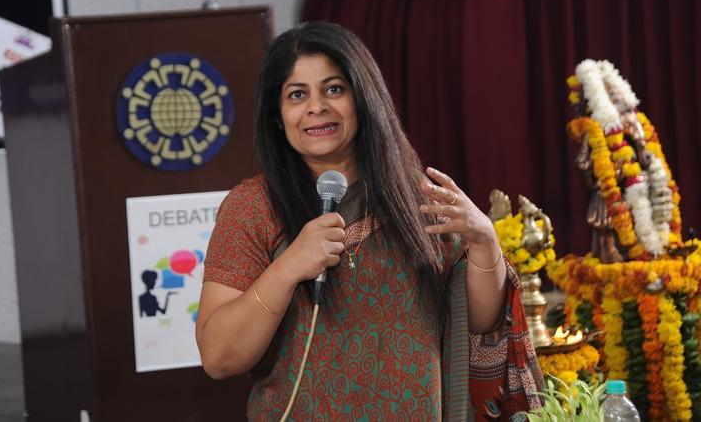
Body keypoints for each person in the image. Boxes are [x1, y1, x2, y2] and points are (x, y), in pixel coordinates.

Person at [196, 22, 543, 420]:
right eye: (297, 94)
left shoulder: (418, 197)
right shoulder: (253, 207)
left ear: (362, 98)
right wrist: (288, 268)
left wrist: (484, 240)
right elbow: (219, 357)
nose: (316, 107)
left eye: (334, 89)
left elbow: (479, 321)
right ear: (277, 115)